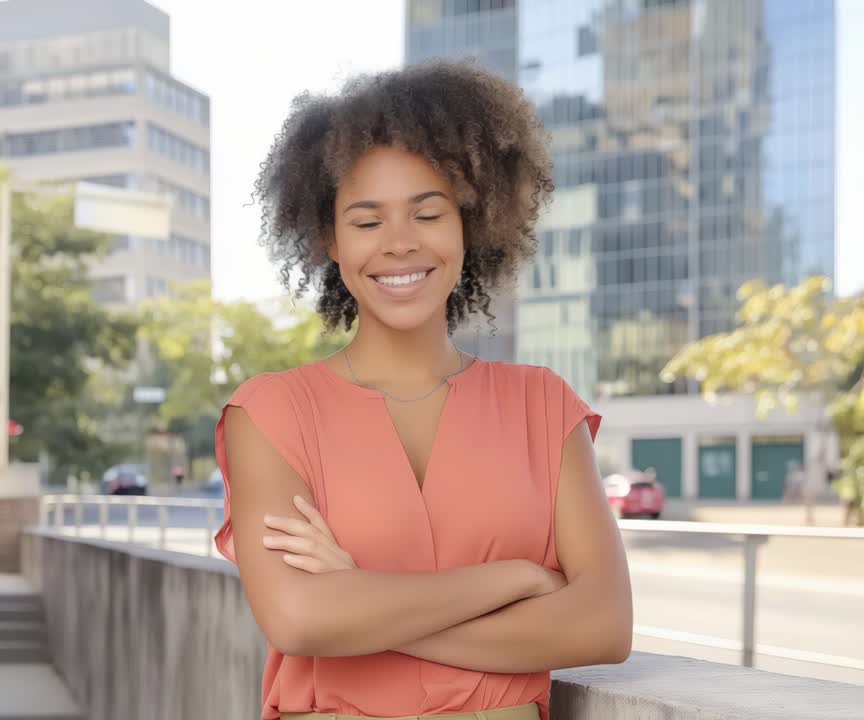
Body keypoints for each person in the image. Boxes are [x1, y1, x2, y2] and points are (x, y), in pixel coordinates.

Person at [213, 60, 633, 720]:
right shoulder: (270, 414)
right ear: (329, 237)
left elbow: (603, 626)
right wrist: (515, 580)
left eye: (428, 213)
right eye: (367, 220)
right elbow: (297, 618)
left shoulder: (544, 406)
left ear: (472, 221)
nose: (400, 244)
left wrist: (359, 600)